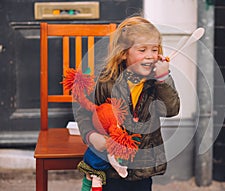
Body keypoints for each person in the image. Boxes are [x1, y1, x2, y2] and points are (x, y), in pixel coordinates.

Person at [75, 15, 180, 191]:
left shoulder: (158, 80)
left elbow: (171, 110)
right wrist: (91, 136)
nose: (150, 56)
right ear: (124, 53)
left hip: (143, 164)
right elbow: (84, 112)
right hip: (110, 164)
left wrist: (163, 79)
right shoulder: (105, 80)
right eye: (142, 50)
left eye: (154, 50)